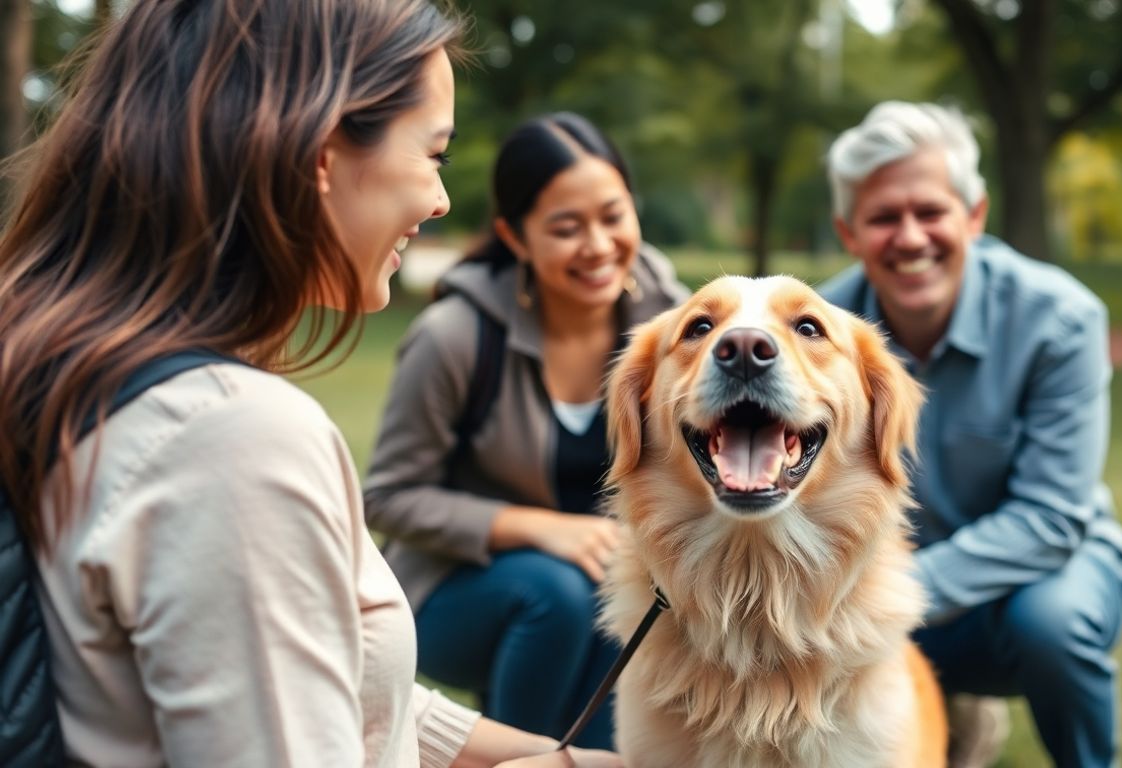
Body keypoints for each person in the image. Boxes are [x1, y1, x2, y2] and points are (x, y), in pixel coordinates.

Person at [0, 1, 619, 766]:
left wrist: (556, 761)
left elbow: (336, 687)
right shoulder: (230, 441)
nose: (439, 200)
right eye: (435, 155)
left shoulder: (80, 371)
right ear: (322, 152)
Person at [819, 101, 1122, 768]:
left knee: (1051, 626)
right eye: (882, 218)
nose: (909, 238)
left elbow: (1050, 519)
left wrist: (890, 596)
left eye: (930, 211)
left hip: (1031, 578)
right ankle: (945, 723)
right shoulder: (816, 335)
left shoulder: (1061, 320)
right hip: (867, 594)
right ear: (848, 232)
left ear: (974, 215)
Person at [364, 112, 688, 750]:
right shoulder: (455, 337)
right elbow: (389, 496)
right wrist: (539, 527)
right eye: (566, 228)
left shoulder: (672, 326)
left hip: (610, 579)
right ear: (514, 237)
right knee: (561, 590)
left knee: (626, 594)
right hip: (456, 592)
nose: (597, 245)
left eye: (613, 215)